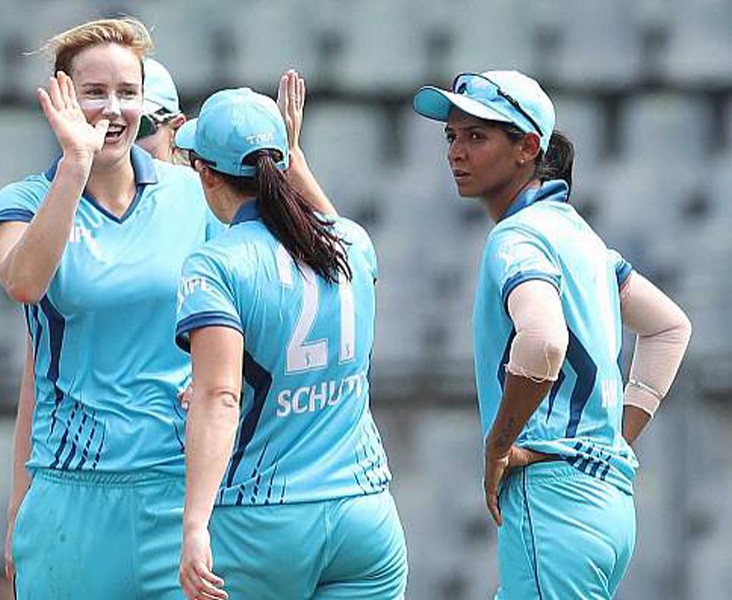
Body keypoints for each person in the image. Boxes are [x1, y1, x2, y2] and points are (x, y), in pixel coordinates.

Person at [0, 17, 335, 598]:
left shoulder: (190, 193)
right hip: (72, 495)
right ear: (62, 97)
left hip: (179, 491)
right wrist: (74, 166)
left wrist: (293, 165)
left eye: (127, 91)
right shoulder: (24, 200)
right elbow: (24, 286)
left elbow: (328, 261)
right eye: (95, 93)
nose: (114, 109)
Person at [412, 70, 692, 599]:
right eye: (452, 136)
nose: (456, 151)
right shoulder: (583, 238)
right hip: (606, 504)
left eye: (477, 136)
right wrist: (612, 439)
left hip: (552, 499)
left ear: (528, 147)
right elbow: (670, 329)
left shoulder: (517, 236)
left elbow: (542, 343)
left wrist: (499, 444)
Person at [174, 84, 408, 600]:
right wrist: (293, 160)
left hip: (263, 520)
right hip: (365, 513)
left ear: (206, 174)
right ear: (282, 166)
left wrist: (194, 526)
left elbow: (219, 396)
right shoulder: (353, 242)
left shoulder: (216, 265)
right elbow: (338, 236)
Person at [135, 57, 188, 164]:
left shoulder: (200, 180)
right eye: (111, 130)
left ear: (176, 130)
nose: (124, 141)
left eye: (141, 127)